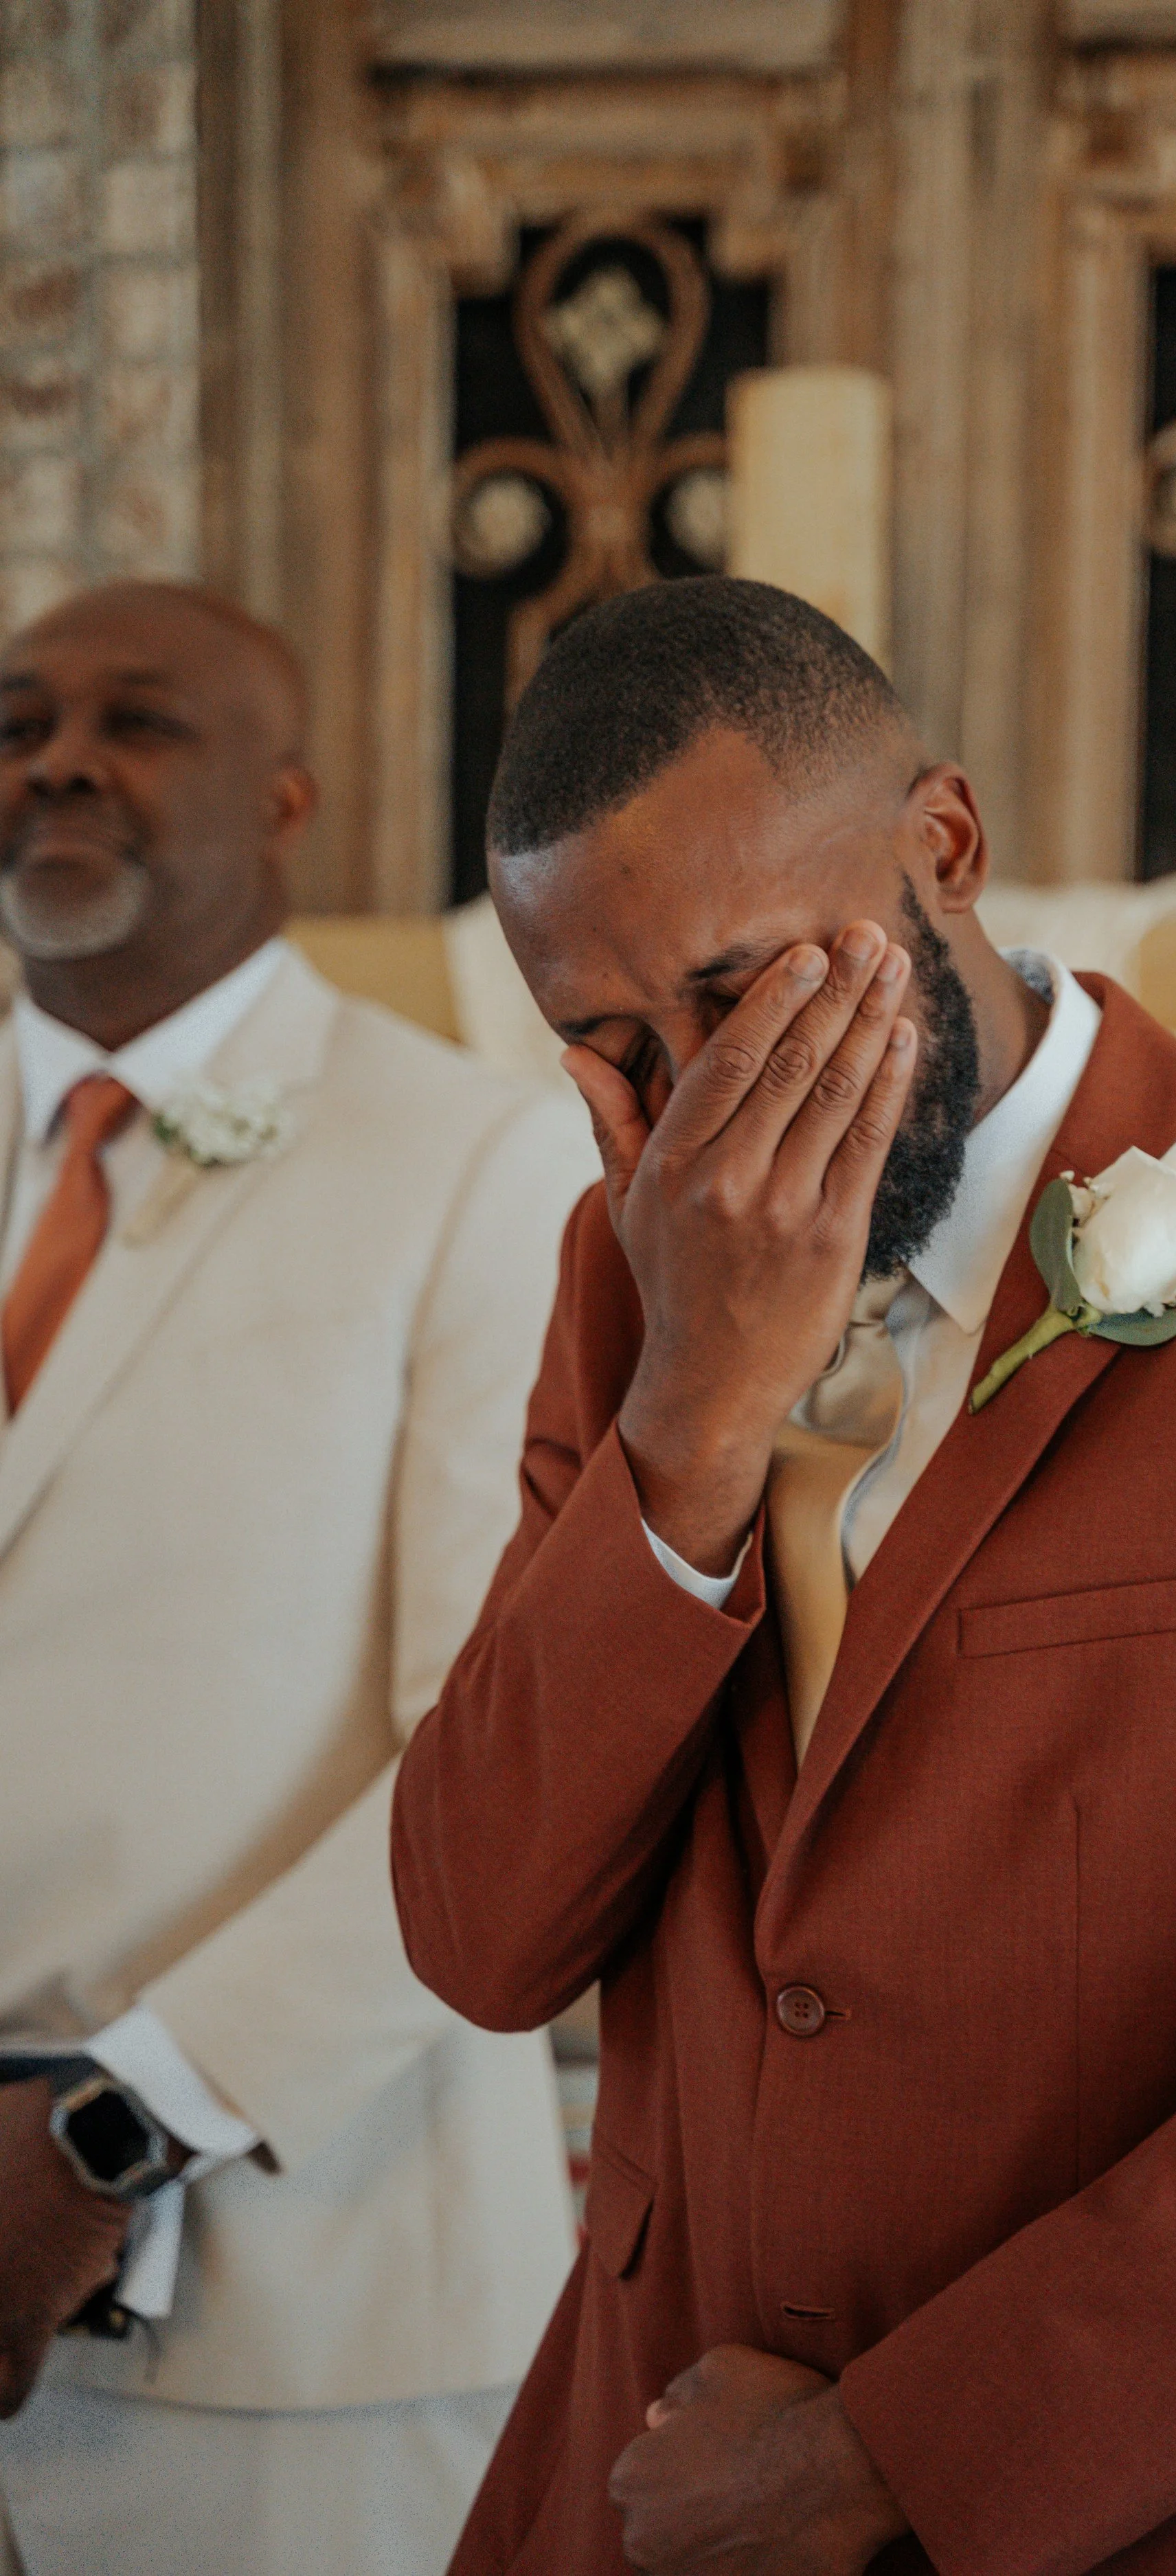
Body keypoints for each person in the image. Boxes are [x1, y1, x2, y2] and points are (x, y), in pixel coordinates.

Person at [392, 575, 1176, 2576]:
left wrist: (875, 2461)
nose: (700, 1114)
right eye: (610, 1048)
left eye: (744, 995)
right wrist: (692, 1414)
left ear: (942, 845)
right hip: (656, 2482)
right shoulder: (631, 1274)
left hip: (1170, 2505)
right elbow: (482, 1935)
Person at [0, 582, 598, 2576]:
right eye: (18, 722)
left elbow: (500, 1760)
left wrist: (111, 2127)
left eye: (138, 720)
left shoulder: (475, 1166)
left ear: (287, 800)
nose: (58, 760)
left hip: (299, 2301)